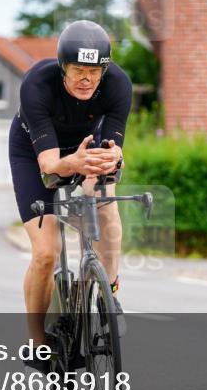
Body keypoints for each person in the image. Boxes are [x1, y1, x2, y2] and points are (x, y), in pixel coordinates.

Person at [8, 20, 131, 371]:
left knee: (105, 197)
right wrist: (72, 162)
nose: (86, 79)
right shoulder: (37, 84)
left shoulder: (118, 85)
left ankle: (110, 292)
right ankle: (38, 343)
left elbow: (112, 150)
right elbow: (48, 166)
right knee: (47, 253)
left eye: (94, 71)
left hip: (84, 147)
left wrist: (112, 159)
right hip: (35, 154)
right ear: (63, 66)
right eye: (78, 69)